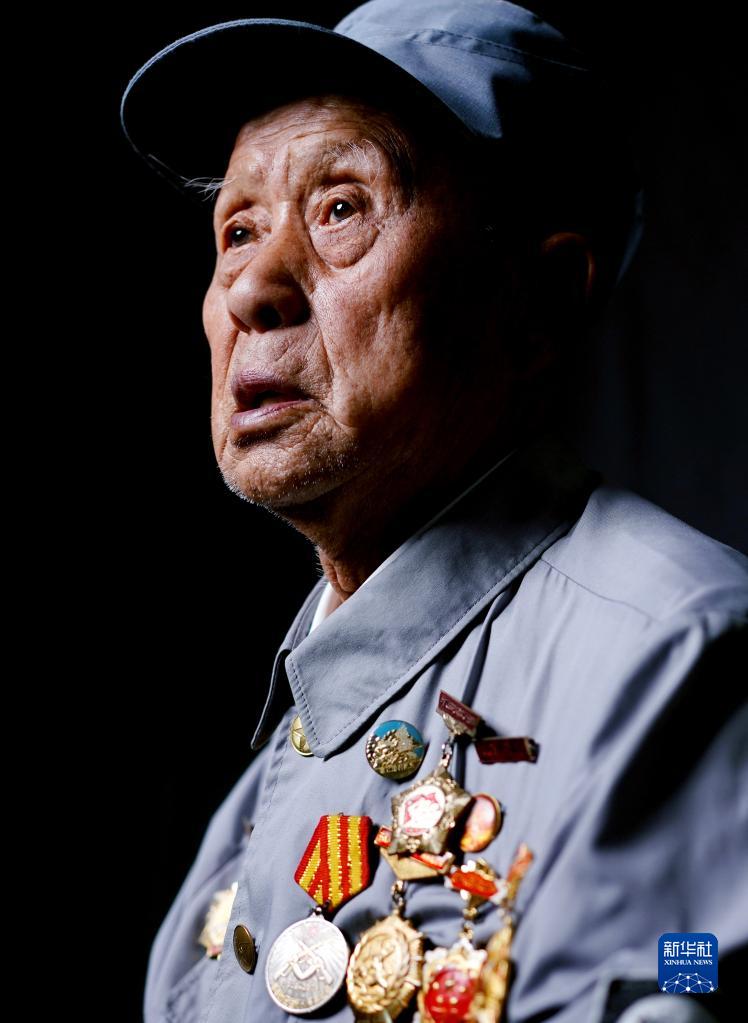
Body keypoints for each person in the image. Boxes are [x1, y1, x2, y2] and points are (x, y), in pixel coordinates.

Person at [120, 3, 747, 1021]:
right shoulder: (273, 781)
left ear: (537, 299)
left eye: (341, 209)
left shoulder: (677, 655)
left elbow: (694, 975)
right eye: (237, 230)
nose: (252, 290)